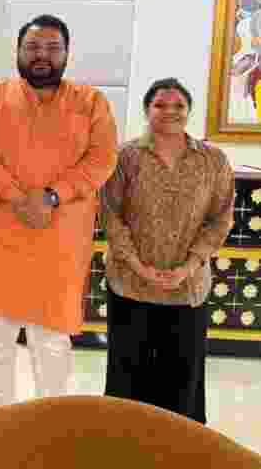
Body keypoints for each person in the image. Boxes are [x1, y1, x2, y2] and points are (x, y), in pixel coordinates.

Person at [0, 14, 118, 410]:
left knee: (52, 344)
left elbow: (102, 159)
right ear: (17, 52)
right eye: (32, 47)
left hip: (59, 245)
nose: (41, 56)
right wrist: (18, 198)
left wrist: (50, 196)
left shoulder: (91, 102)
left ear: (66, 53)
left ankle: (51, 429)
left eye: (52, 48)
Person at [102, 78, 234, 424]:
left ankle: (179, 447)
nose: (170, 111)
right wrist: (137, 265)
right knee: (128, 373)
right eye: (161, 104)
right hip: (130, 285)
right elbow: (110, 215)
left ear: (189, 111)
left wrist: (189, 266)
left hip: (186, 288)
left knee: (182, 376)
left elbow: (221, 218)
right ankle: (126, 444)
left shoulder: (213, 160)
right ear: (147, 110)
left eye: (178, 105)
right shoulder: (124, 157)